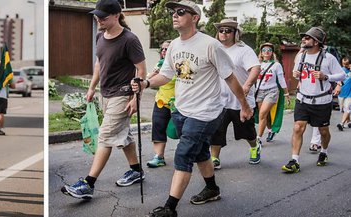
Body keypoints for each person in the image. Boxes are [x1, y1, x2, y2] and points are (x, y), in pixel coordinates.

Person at [136, 1, 252, 216]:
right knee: (199, 152)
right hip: (181, 110)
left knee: (183, 155)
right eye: (173, 12)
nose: (174, 15)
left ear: (195, 17)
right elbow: (167, 75)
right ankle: (212, 188)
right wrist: (146, 83)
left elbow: (230, 78)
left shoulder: (210, 45)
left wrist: (244, 105)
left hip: (206, 112)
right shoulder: (174, 45)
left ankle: (170, 208)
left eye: (181, 12)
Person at [60, 0, 147, 200]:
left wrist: (136, 98)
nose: (98, 19)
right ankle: (136, 170)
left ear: (117, 16)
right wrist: (91, 87)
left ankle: (88, 184)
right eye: (97, 16)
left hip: (123, 94)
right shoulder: (100, 36)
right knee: (123, 135)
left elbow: (141, 70)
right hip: (105, 94)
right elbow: (99, 62)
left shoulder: (129, 40)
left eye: (103, 17)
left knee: (105, 136)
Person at [283, 27, 346, 173]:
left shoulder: (328, 58)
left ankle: (324, 151)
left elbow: (342, 75)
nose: (303, 39)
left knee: (323, 131)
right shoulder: (300, 56)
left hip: (321, 101)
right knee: (298, 127)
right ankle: (294, 160)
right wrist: (295, 73)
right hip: (302, 99)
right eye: (304, 37)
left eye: (307, 38)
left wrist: (326, 77)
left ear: (316, 42)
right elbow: (296, 73)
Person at [209, 19, 262, 168]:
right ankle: (215, 158)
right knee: (216, 131)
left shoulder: (243, 50)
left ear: (235, 33)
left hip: (241, 101)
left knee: (246, 132)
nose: (224, 33)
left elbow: (255, 68)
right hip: (219, 100)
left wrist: (247, 85)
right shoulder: (214, 49)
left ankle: (254, 146)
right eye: (221, 30)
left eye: (228, 30)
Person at [146, 40, 174, 168]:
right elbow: (150, 79)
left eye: (167, 49)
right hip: (161, 101)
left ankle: (195, 154)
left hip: (178, 103)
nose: (164, 51)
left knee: (184, 131)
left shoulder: (179, 64)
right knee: (158, 126)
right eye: (162, 49)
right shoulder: (160, 64)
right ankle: (159, 157)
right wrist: (154, 73)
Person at [255, 43, 290, 143]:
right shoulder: (257, 64)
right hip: (259, 92)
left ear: (272, 53)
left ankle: (258, 139)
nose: (267, 52)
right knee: (264, 115)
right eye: (264, 50)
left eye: (269, 50)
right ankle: (270, 130)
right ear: (261, 53)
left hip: (272, 91)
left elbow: (282, 80)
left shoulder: (276, 65)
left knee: (262, 113)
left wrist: (286, 94)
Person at [333, 56, 351, 131]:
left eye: (346, 64)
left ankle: (341, 123)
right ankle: (349, 121)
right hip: (341, 93)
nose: (344, 65)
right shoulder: (341, 70)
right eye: (343, 64)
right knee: (343, 109)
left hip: (350, 94)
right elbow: (337, 79)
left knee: (347, 107)